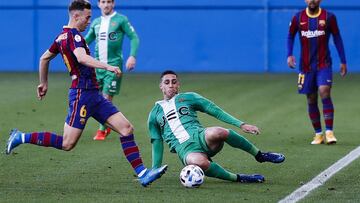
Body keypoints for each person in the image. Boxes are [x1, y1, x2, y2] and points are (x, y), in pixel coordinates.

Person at [5, 0, 166, 187]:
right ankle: (20, 137)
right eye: (87, 17)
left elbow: (44, 58)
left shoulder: (61, 37)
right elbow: (81, 57)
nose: (89, 21)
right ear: (76, 16)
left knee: (126, 128)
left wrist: (43, 83)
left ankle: (143, 173)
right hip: (81, 95)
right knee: (68, 143)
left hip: (93, 95)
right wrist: (107, 66)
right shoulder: (75, 37)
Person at [147, 70, 285, 183]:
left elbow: (214, 110)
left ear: (178, 85)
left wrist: (241, 124)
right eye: (167, 82)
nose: (171, 85)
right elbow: (157, 141)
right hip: (186, 150)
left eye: (174, 82)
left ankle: (260, 155)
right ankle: (239, 178)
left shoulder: (188, 97)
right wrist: (155, 169)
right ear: (161, 86)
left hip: (201, 137)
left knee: (218, 131)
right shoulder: (154, 113)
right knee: (198, 162)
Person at [287, 0, 347, 145]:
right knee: (311, 99)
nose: (312, 0)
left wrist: (343, 60)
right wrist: (289, 54)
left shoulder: (329, 17)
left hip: (324, 64)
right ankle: (318, 134)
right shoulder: (298, 18)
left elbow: (337, 38)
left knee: (324, 91)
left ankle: (329, 132)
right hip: (306, 66)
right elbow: (290, 36)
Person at [85, 0, 139, 141]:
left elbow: (134, 37)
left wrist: (132, 56)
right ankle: (107, 123)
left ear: (113, 4)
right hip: (97, 67)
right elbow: (86, 40)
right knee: (93, 96)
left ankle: (102, 129)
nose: (106, 4)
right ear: (99, 4)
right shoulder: (96, 22)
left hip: (114, 66)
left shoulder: (121, 19)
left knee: (106, 97)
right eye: (103, 1)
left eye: (109, 1)